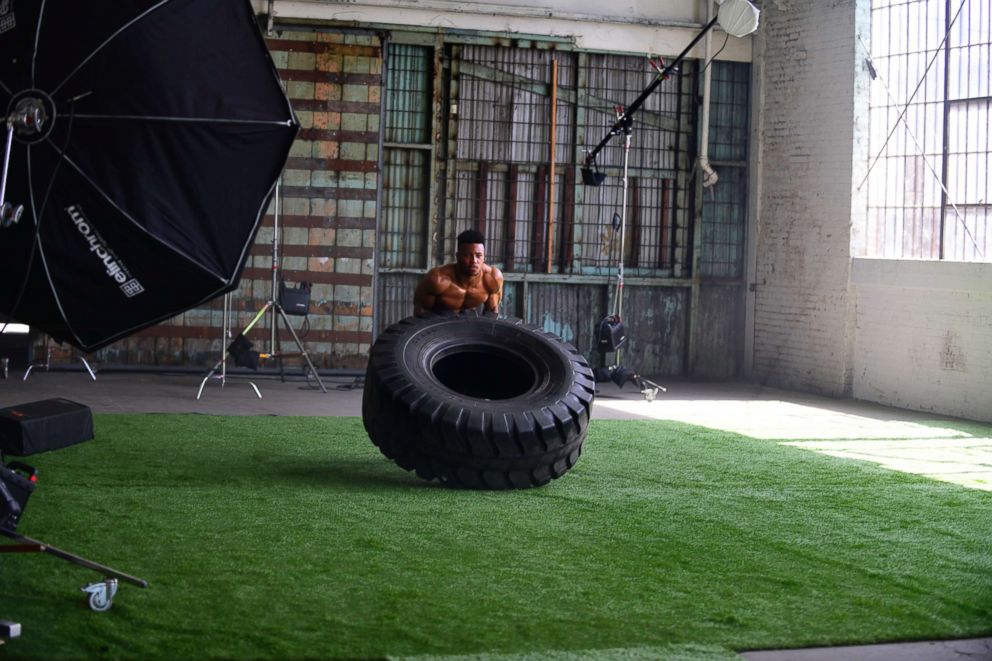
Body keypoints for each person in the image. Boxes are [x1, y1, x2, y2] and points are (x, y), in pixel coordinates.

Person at [413, 229, 503, 315]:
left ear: (484, 257)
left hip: (469, 323)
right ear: (458, 256)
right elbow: (421, 312)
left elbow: (492, 312)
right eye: (467, 255)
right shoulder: (437, 279)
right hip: (438, 323)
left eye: (478, 255)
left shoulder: (492, 278)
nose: (474, 261)